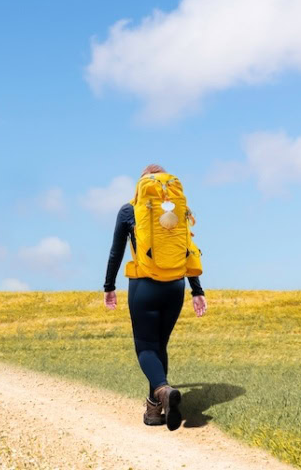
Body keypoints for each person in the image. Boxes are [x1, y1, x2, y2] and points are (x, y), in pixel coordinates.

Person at [103, 163, 207, 430]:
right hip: (175, 285)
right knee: (160, 346)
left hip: (144, 286)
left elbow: (116, 252)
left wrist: (109, 286)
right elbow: (188, 248)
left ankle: (161, 390)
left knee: (146, 347)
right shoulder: (178, 209)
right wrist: (197, 289)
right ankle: (153, 409)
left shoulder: (130, 210)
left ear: (141, 186)